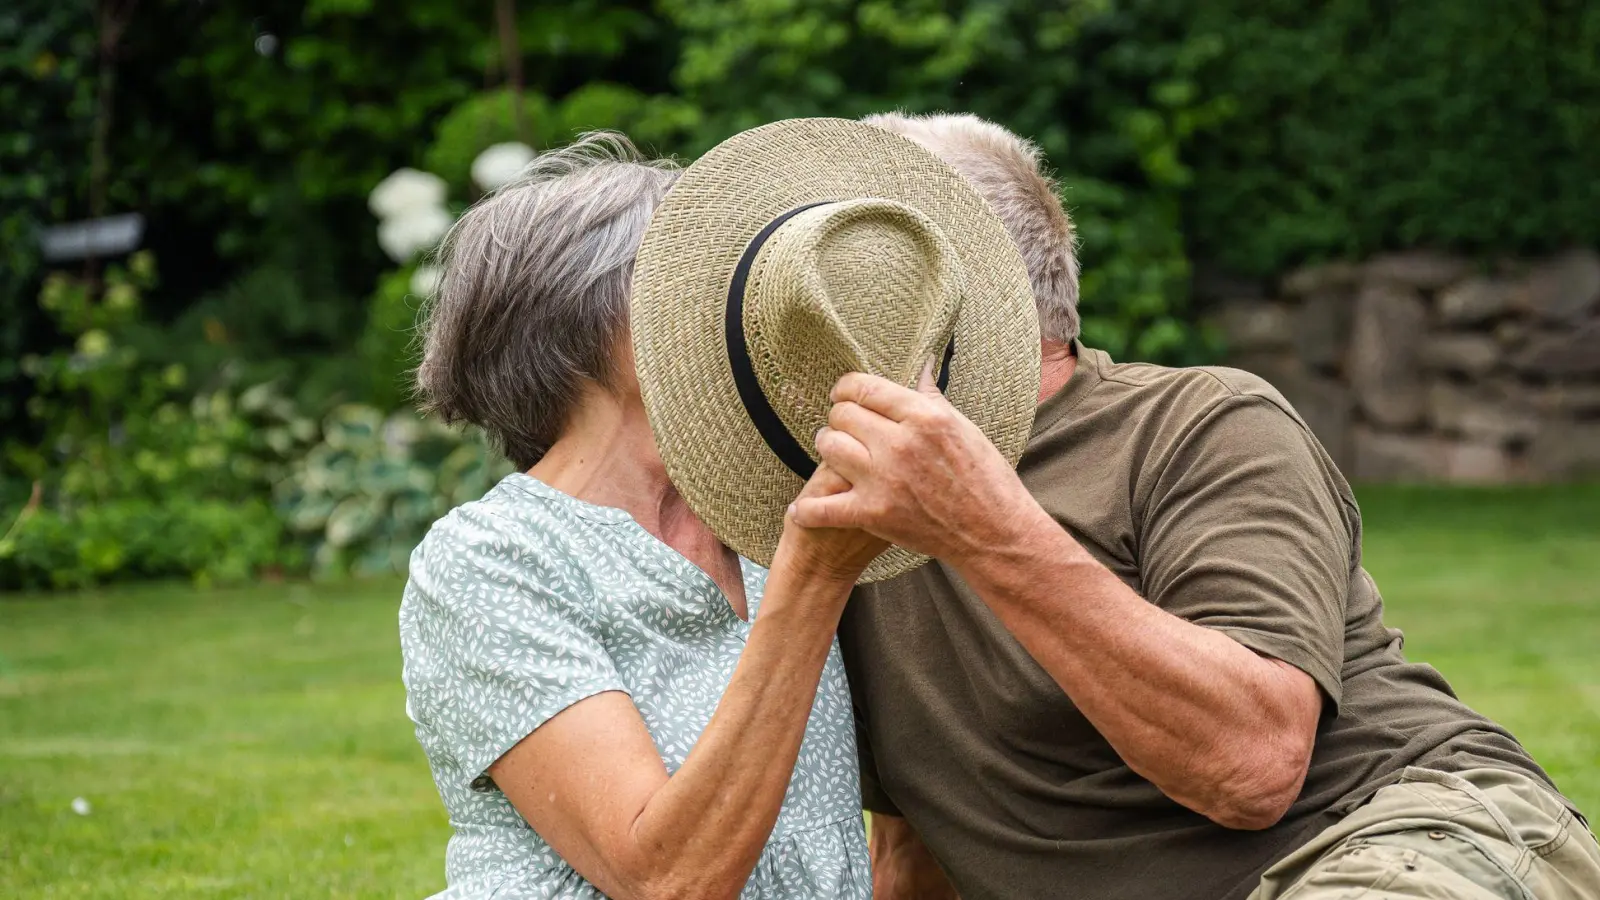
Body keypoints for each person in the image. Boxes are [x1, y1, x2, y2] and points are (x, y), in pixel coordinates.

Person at [783, 112, 1600, 900]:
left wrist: (985, 531)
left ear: (951, 298)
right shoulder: (849, 526)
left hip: (1396, 837)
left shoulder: (1201, 423)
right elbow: (917, 849)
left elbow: (1253, 764)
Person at [398, 133, 884, 900]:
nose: (734, 297)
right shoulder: (490, 560)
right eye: (692, 275)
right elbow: (665, 878)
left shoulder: (765, 511)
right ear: (590, 321)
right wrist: (816, 575)